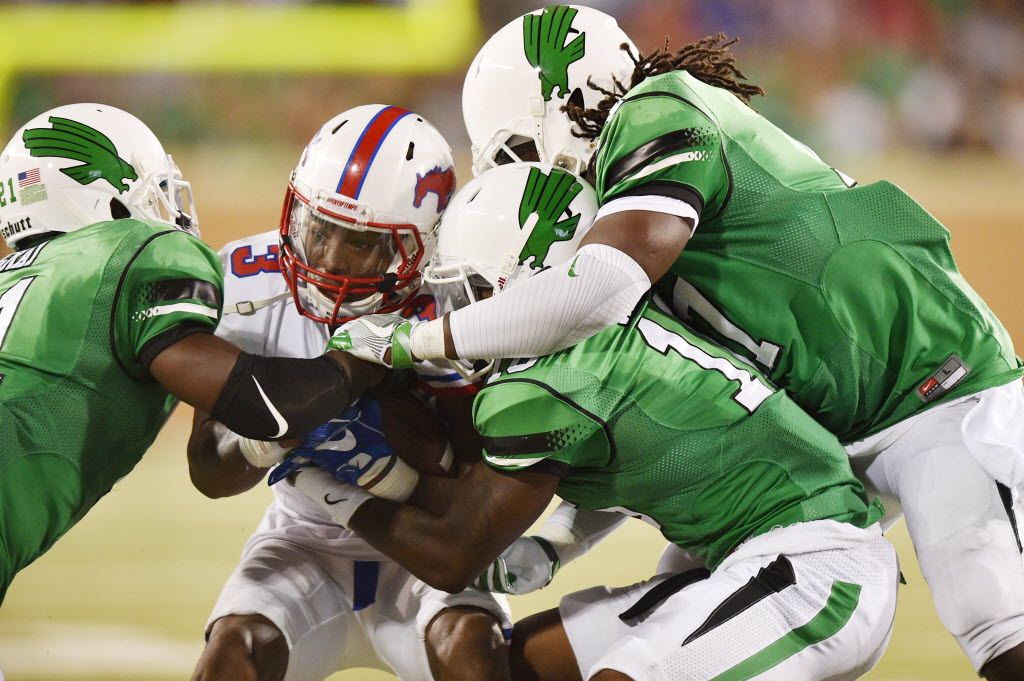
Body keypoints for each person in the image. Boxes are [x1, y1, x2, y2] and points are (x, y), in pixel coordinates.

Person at [335, 7, 1024, 678]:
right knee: (683, 611)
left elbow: (596, 288)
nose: (535, 175)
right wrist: (561, 534)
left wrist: (411, 340)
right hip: (829, 436)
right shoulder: (632, 232)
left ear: (566, 104)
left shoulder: (660, 108)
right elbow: (643, 420)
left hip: (939, 385)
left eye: (522, 151)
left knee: (994, 614)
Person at [314, 161, 900, 681]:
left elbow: (452, 553)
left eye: (469, 293)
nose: (460, 316)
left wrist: (322, 481)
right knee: (519, 666)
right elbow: (650, 447)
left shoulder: (546, 384)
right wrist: (560, 542)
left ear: (521, 284)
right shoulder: (604, 345)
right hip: (743, 563)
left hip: (814, 571)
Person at [0, 103, 382, 604]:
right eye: (154, 191)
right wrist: (366, 356)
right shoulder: (129, 249)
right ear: (105, 202)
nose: (166, 209)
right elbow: (266, 405)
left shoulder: (19, 279)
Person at [187, 104, 513, 681]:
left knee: (472, 647)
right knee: (232, 650)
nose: (327, 262)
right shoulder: (245, 281)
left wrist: (388, 469)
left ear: (420, 250)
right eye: (318, 230)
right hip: (300, 539)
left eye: (360, 244)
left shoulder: (460, 303)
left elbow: (471, 507)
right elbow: (210, 473)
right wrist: (269, 439)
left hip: (426, 552)